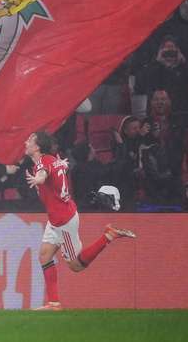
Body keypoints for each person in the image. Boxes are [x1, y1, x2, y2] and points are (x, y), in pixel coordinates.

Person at [24, 131, 136, 311]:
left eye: (30, 140)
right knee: (44, 256)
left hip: (63, 221)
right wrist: (60, 167)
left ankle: (108, 236)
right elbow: (57, 168)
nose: (26, 142)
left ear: (37, 147)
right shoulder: (52, 159)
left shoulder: (43, 164)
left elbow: (43, 174)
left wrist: (39, 179)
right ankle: (54, 304)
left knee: (75, 265)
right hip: (57, 217)